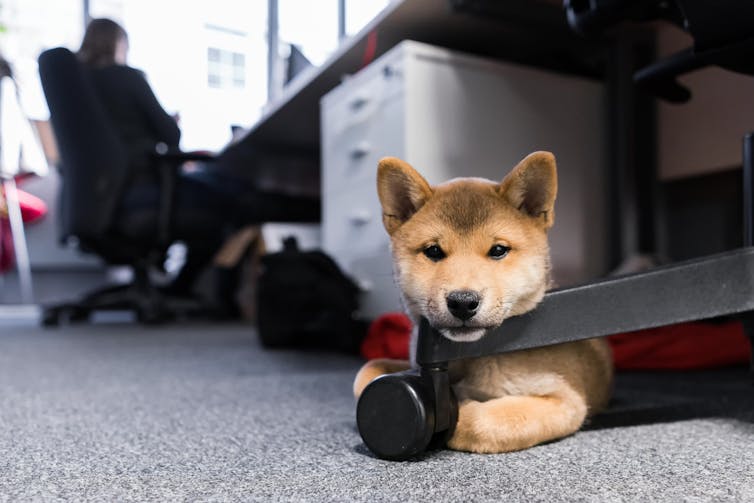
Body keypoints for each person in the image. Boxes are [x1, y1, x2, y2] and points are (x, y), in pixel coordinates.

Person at [74, 18, 319, 312]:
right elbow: (170, 135)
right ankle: (214, 296)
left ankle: (185, 287)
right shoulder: (126, 77)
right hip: (145, 190)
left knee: (217, 188)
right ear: (117, 44)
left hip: (106, 199)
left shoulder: (78, 86)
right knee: (238, 196)